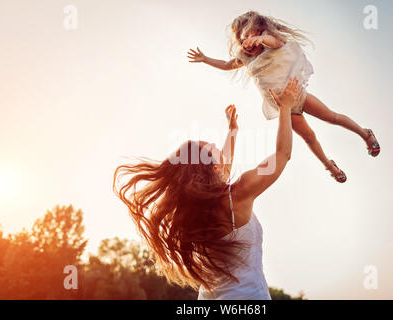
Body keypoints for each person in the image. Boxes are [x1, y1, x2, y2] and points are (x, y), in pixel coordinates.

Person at [113, 77, 303, 299]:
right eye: (211, 147)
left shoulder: (196, 213)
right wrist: (286, 108)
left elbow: (221, 174)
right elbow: (282, 155)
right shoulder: (239, 194)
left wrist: (232, 131)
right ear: (210, 166)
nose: (215, 145)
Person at [187, 11, 381, 183]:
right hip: (283, 107)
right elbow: (227, 64)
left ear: (261, 31)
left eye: (250, 36)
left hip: (296, 95)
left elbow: (273, 42)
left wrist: (261, 40)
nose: (247, 42)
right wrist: (205, 59)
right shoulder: (246, 58)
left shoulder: (271, 42)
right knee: (309, 137)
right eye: (242, 39)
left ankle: (365, 134)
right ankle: (329, 166)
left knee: (332, 117)